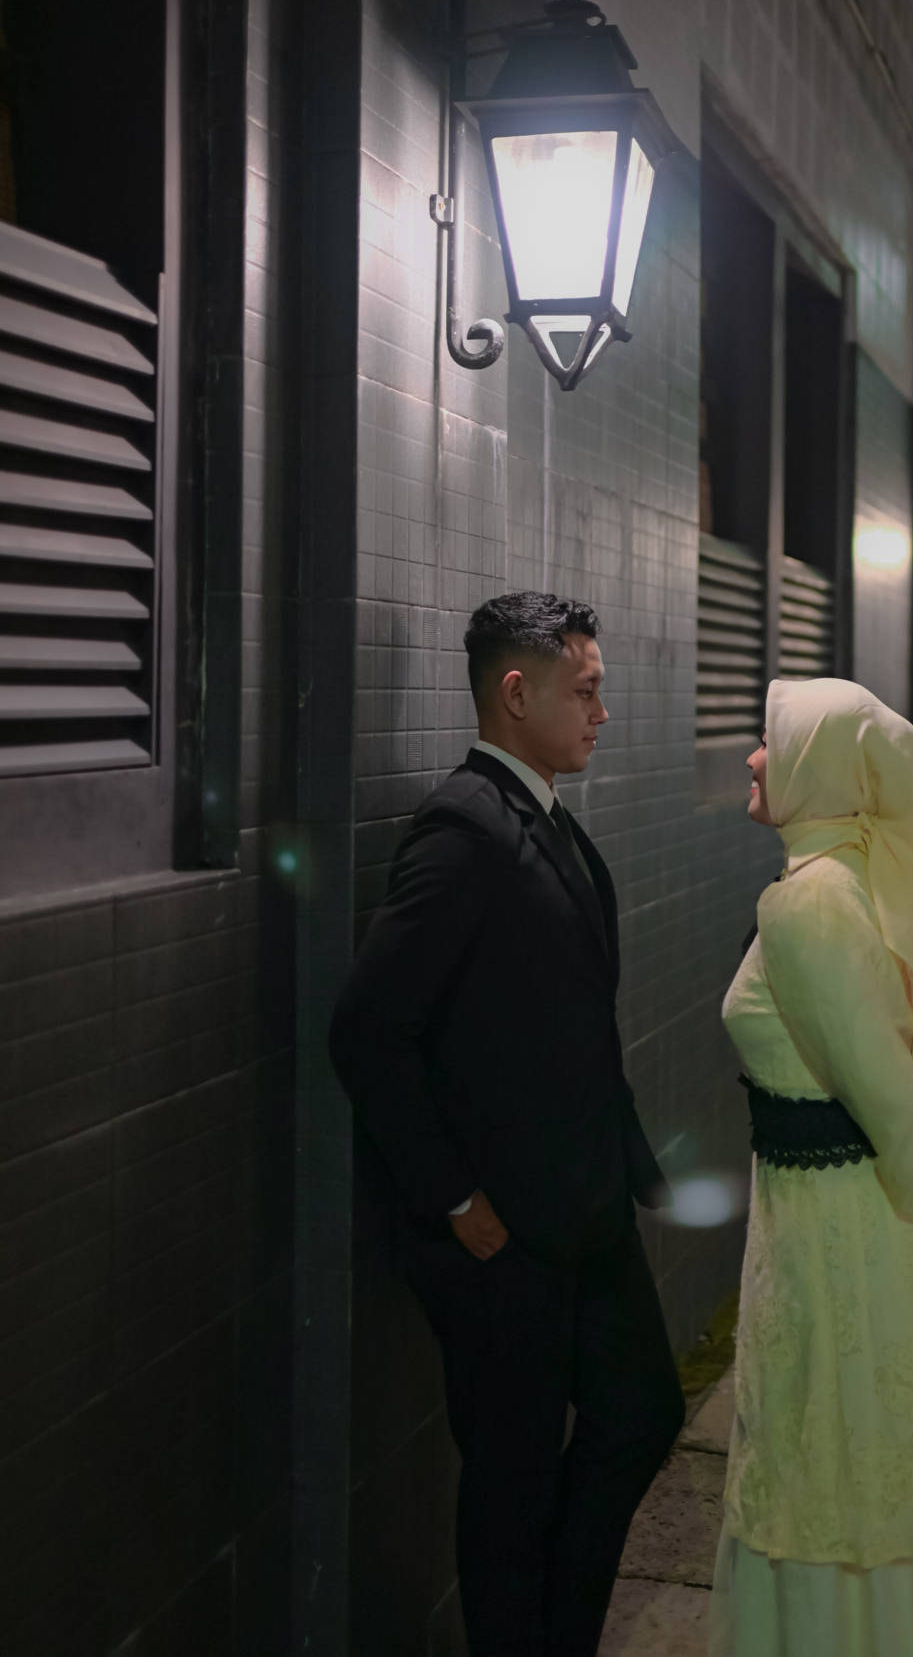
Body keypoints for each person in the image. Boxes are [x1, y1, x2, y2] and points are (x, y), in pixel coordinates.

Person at [330, 592, 684, 1657]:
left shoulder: (545, 817)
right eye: (587, 691)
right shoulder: (465, 832)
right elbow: (368, 1031)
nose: (603, 714)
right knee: (510, 1485)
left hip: (584, 1211)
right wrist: (452, 1198)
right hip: (502, 1241)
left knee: (641, 1414)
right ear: (517, 692)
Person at [709, 678, 913, 1657]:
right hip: (860, 1224)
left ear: (817, 770)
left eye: (770, 743)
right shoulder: (851, 886)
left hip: (839, 1242)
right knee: (885, 1470)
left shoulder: (808, 903)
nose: (753, 758)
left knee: (834, 1476)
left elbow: (880, 1080)